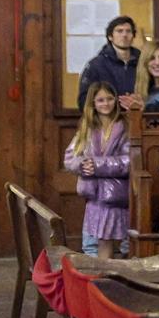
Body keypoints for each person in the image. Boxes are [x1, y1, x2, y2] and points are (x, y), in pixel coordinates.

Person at [63, 82, 130, 260]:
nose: (106, 104)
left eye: (109, 99)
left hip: (116, 194)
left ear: (116, 100)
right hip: (94, 195)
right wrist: (82, 165)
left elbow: (129, 161)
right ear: (93, 103)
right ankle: (103, 282)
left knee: (123, 244)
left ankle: (117, 282)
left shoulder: (125, 126)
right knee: (102, 241)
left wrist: (98, 165)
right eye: (100, 100)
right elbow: (69, 158)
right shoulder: (88, 127)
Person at [77, 15, 142, 111]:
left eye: (128, 31)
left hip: (139, 120)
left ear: (133, 36)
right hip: (107, 122)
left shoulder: (143, 62)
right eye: (119, 31)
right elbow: (84, 99)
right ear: (110, 36)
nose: (124, 35)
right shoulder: (96, 65)